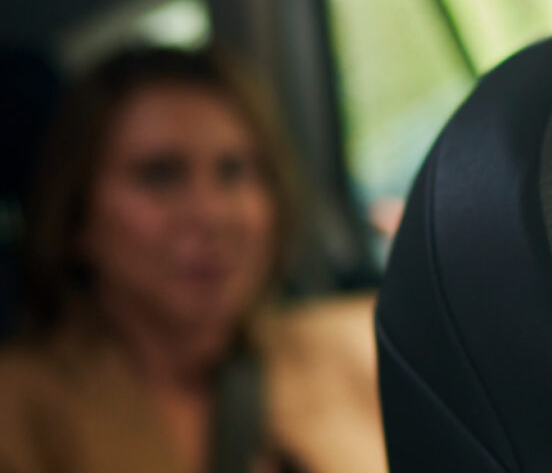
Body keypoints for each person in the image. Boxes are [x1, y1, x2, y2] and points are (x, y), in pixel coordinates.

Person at [0, 46, 386, 473]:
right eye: (160, 175)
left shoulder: (364, 350)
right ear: (76, 217)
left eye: (234, 171)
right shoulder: (19, 412)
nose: (211, 214)